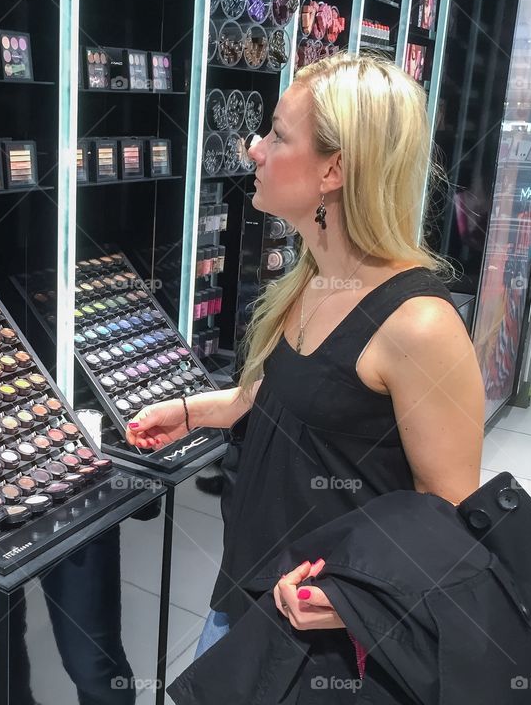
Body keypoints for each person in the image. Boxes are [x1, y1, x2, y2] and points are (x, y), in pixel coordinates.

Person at [125, 53, 484, 663]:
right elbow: (291, 396)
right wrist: (191, 412)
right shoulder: (312, 279)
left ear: (334, 170)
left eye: (277, 135)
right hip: (246, 596)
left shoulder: (421, 325)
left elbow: (449, 518)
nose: (253, 150)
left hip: (323, 645)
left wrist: (352, 601)